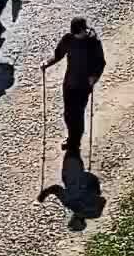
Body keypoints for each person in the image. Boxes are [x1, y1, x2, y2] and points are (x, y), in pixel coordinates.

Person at [43, 17, 106, 156]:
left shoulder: (93, 42)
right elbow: (58, 54)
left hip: (84, 85)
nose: (78, 36)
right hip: (69, 83)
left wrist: (94, 77)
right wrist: (47, 63)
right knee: (68, 114)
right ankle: (72, 137)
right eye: (76, 34)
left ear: (84, 30)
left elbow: (101, 63)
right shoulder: (68, 39)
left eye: (80, 34)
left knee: (77, 114)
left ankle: (75, 143)